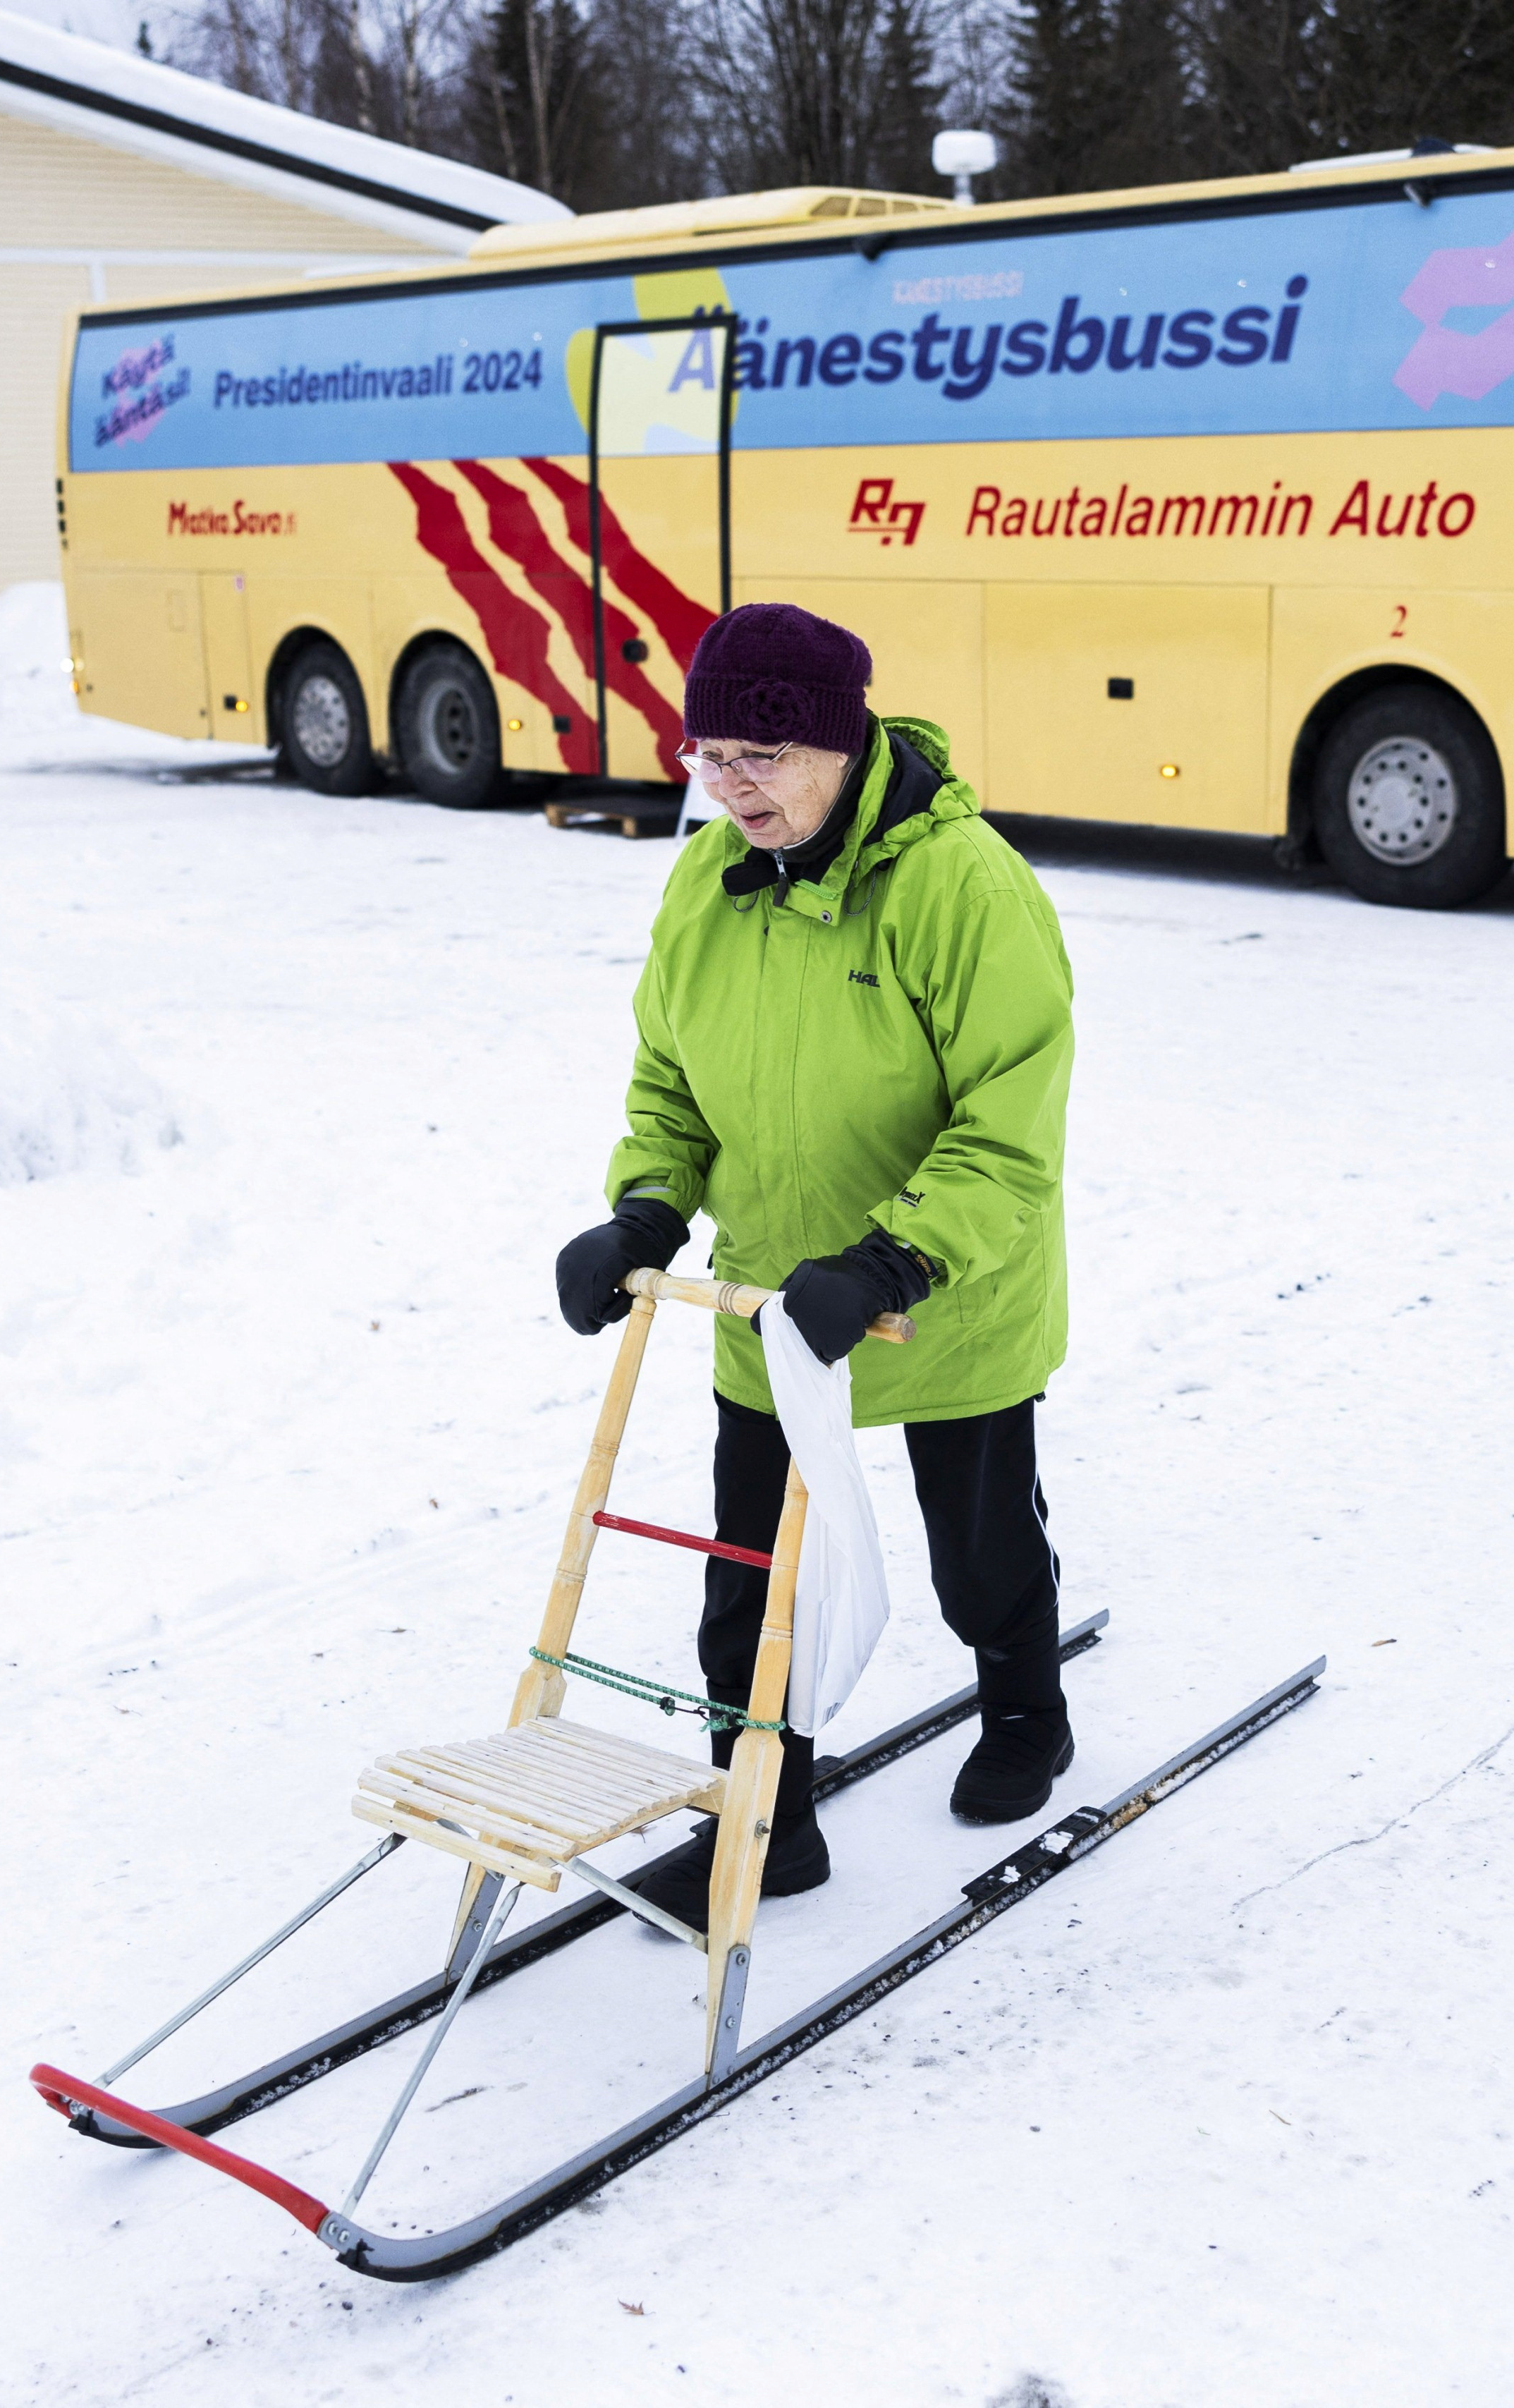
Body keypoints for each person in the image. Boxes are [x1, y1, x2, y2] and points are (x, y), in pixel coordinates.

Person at [554, 600, 1077, 1935]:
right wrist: (647, 1214)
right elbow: (671, 1078)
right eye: (708, 756)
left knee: (980, 1553)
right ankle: (765, 1822)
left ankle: (1025, 1708)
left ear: (840, 747)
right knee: (750, 1580)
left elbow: (1009, 1120)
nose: (732, 788)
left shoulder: (962, 884)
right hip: (774, 1304)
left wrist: (897, 1258)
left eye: (764, 758)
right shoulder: (706, 880)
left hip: (942, 1303)